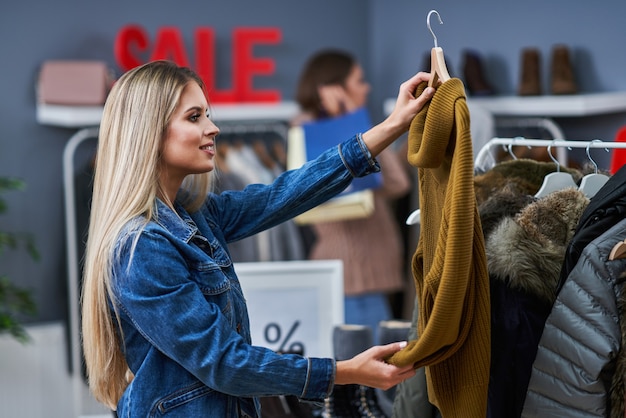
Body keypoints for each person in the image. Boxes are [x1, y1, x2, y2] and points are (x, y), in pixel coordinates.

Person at [80, 59, 434, 417]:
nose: (213, 128)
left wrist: (391, 127)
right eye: (194, 117)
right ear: (149, 132)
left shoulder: (198, 216)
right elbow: (224, 363)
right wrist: (345, 372)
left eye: (207, 114)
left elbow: (285, 193)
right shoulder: (143, 247)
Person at [293, 49, 412, 340]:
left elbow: (396, 183)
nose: (366, 87)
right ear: (332, 88)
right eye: (358, 80)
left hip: (364, 278)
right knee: (374, 374)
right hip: (350, 279)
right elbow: (397, 184)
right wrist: (354, 123)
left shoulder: (346, 130)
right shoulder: (311, 133)